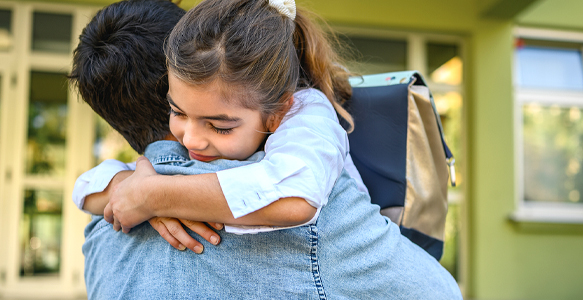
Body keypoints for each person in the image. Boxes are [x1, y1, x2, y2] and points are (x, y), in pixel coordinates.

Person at [72, 0, 462, 298]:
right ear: (174, 78)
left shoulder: (100, 234)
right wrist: (135, 191)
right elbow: (437, 290)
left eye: (219, 125)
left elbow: (296, 196)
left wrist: (155, 194)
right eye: (179, 112)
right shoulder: (325, 223)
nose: (191, 139)